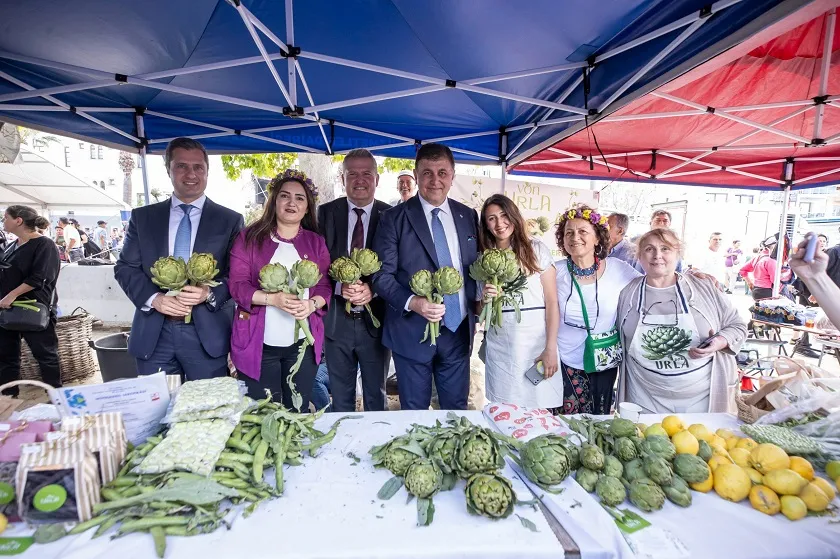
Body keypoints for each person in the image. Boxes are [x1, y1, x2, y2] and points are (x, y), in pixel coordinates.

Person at [115, 137, 245, 380]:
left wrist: (209, 293)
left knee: (207, 403)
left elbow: (238, 275)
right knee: (158, 404)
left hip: (207, 335)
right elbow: (125, 267)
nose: (191, 174)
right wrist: (154, 299)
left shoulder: (230, 220)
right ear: (168, 169)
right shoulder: (143, 218)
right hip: (154, 334)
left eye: (198, 167)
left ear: (207, 171)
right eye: (181, 166)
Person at [373, 143, 479, 410]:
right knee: (415, 415)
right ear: (416, 175)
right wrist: (413, 302)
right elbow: (381, 276)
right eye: (427, 173)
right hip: (411, 333)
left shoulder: (468, 216)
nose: (435, 180)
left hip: (457, 333)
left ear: (452, 175)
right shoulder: (393, 218)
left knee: (456, 413)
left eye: (442, 173)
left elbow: (475, 268)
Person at [229, 169, 331, 410]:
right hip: (258, 345)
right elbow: (237, 285)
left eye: (299, 198)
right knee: (264, 414)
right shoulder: (248, 238)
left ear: (307, 208)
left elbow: (325, 285)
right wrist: (272, 299)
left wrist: (311, 304)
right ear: (274, 201)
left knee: (297, 411)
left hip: (302, 348)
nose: (291, 203)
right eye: (285, 196)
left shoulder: (316, 242)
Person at [616, 228, 747, 414]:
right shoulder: (627, 293)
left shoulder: (703, 287)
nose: (657, 255)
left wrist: (720, 341)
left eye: (665, 249)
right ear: (639, 256)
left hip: (704, 400)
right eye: (649, 249)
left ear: (678, 253)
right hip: (645, 398)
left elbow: (738, 326)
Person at [318, 149, 391, 412]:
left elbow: (397, 267)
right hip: (336, 321)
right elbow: (316, 263)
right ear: (342, 179)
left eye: (366, 174)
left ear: (377, 179)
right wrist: (340, 286)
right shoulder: (325, 213)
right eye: (352, 174)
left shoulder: (392, 215)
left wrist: (374, 289)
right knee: (340, 398)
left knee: (376, 397)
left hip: (377, 323)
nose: (360, 180)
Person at [479, 194, 562, 408]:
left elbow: (552, 302)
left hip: (535, 344)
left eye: (504, 215)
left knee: (539, 410)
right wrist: (485, 300)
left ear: (513, 215)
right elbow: (478, 310)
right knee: (504, 411)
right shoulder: (483, 257)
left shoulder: (536, 249)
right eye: (491, 219)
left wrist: (550, 348)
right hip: (500, 346)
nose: (499, 223)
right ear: (486, 225)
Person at [555, 206, 640, 415]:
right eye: (569, 232)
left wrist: (690, 278)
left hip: (604, 360)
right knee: (566, 422)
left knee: (599, 421)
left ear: (597, 238)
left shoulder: (617, 268)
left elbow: (651, 284)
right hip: (564, 361)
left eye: (583, 231)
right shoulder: (555, 271)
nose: (575, 237)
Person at [0, 205, 61, 394]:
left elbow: (40, 278)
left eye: (6, 217)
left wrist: (12, 295)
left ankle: (56, 396)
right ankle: (9, 397)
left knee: (45, 355)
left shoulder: (45, 245)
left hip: (34, 308)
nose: (3, 221)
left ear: (18, 221)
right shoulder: (12, 245)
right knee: (6, 356)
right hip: (7, 309)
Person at [790, 235, 840, 329]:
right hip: (813, 290)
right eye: (819, 241)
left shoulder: (832, 251)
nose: (822, 243)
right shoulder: (833, 252)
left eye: (823, 241)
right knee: (812, 317)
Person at [739, 233, 790, 300]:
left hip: (756, 291)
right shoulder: (770, 260)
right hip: (768, 292)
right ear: (774, 247)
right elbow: (776, 281)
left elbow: (742, 270)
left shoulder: (757, 258)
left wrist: (750, 283)